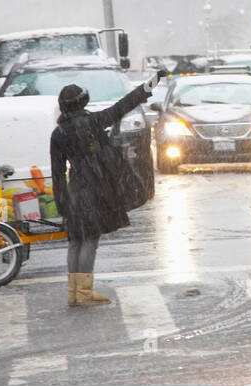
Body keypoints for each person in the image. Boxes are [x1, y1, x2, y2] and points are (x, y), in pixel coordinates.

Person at [51, 68, 167, 308]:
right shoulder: (94, 122)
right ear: (83, 102)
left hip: (75, 189)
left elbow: (56, 172)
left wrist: (61, 200)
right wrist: (152, 83)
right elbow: (124, 105)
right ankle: (84, 293)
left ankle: (74, 292)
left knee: (75, 240)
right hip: (95, 188)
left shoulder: (58, 133)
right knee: (90, 240)